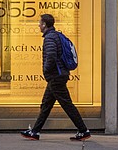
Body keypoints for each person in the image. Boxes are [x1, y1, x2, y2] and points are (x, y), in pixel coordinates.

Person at [20, 13, 91, 141]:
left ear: (45, 25)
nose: (38, 25)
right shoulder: (55, 35)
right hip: (57, 76)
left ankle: (83, 130)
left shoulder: (50, 38)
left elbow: (51, 57)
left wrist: (46, 70)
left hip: (55, 77)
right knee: (46, 105)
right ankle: (35, 132)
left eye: (40, 23)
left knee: (67, 105)